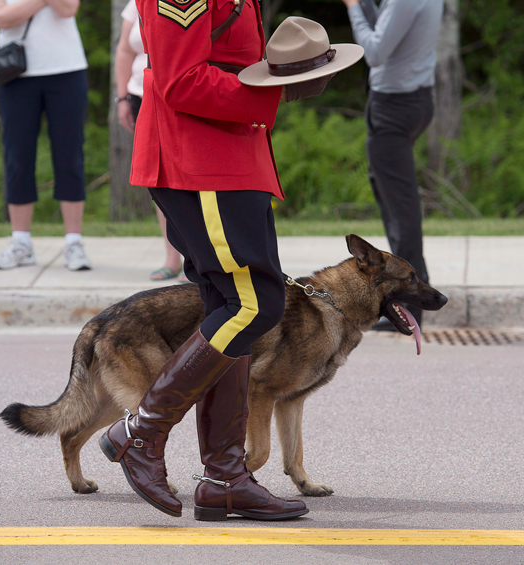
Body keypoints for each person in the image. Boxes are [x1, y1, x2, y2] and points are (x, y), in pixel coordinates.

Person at [98, 14, 361, 521]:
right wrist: (268, 93)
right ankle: (141, 432)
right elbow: (182, 79)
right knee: (255, 306)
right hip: (201, 162)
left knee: (229, 308)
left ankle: (224, 478)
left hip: (227, 158)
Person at [343, 0, 443, 327]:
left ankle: (412, 301)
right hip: (411, 100)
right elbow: (386, 28)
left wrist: (354, 7)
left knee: (400, 209)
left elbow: (373, 52)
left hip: (395, 107)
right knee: (394, 199)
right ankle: (411, 293)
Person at [0, 0, 92, 271]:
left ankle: (73, 243)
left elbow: (69, 8)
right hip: (15, 73)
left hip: (67, 70)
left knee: (70, 156)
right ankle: (21, 242)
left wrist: (20, 8)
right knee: (17, 156)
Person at [114, 0, 185, 282]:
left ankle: (196, 257)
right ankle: (171, 256)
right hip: (141, 95)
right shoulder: (136, 3)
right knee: (159, 179)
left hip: (177, 94)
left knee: (185, 178)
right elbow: (123, 50)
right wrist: (121, 98)